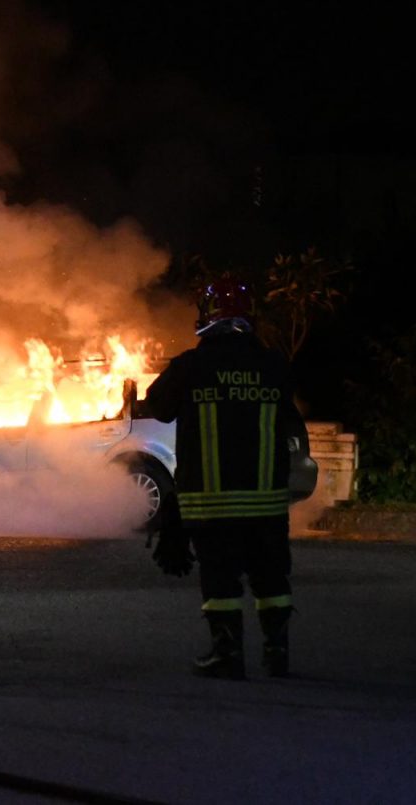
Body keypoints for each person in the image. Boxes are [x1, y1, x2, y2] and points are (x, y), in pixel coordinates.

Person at [143, 275, 306, 679]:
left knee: (221, 577)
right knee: (271, 575)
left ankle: (228, 654)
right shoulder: (273, 366)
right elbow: (289, 421)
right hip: (266, 501)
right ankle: (276, 652)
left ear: (208, 317)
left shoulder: (191, 366)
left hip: (212, 500)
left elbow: (156, 408)